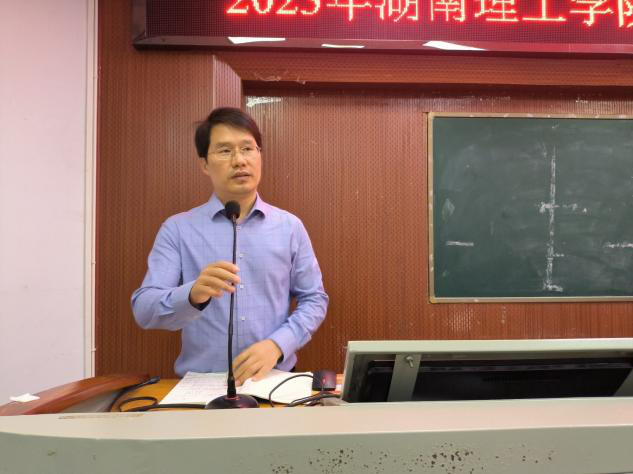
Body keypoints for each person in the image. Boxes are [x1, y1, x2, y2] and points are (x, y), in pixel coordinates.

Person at [131, 107, 328, 384]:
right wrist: (192, 295)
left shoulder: (289, 227)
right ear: (204, 164)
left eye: (248, 148)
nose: (239, 160)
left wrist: (278, 345)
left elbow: (314, 299)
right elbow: (144, 309)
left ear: (259, 155)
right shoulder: (177, 229)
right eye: (225, 151)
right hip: (203, 386)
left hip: (273, 382)